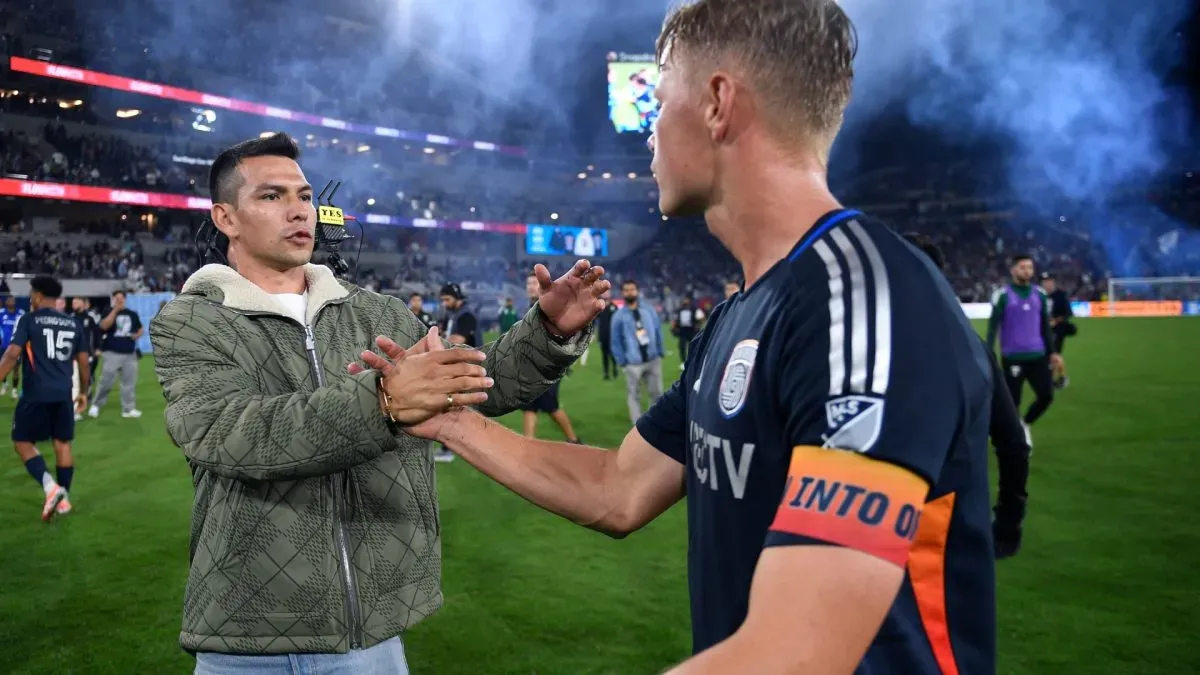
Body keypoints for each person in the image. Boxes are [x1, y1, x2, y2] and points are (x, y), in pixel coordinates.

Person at [365, 2, 997, 672]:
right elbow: (618, 487)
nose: (650, 132)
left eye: (659, 101)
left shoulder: (862, 300)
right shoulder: (739, 316)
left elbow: (795, 652)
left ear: (719, 103)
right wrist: (450, 420)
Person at [149, 132, 601, 674]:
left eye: (304, 195)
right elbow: (231, 435)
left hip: (371, 639)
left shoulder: (375, 314)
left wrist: (546, 331)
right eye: (271, 197)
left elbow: (480, 382)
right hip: (251, 637)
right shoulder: (192, 321)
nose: (298, 211)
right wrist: (383, 400)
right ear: (225, 218)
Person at [905, 233, 1030, 559]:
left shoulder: (859, 352)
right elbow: (1013, 443)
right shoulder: (972, 351)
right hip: (960, 536)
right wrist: (1009, 521)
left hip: (883, 536)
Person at [0, 276, 89, 521]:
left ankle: (51, 488)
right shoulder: (73, 323)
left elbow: (11, 355)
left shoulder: (29, 320)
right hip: (63, 394)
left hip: (36, 393)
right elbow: (83, 362)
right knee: (62, 443)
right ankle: (64, 500)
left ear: (38, 296)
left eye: (31, 294)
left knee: (22, 441)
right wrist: (83, 392)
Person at [987, 254, 1063, 446]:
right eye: (1022, 267)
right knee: (1012, 403)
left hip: (1038, 355)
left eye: (1029, 267)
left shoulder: (1040, 294)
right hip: (1013, 357)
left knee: (1046, 396)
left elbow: (1045, 326)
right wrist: (988, 352)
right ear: (1013, 270)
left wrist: (1053, 352)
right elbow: (992, 327)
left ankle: (1025, 424)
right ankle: (1012, 435)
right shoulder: (1002, 295)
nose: (1027, 271)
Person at [519, 272, 582, 444]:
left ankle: (574, 440)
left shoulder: (550, 306)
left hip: (549, 366)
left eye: (534, 283)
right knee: (529, 406)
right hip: (532, 365)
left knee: (551, 406)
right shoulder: (531, 307)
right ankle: (528, 445)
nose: (531, 286)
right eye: (528, 283)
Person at [610, 279, 665, 424]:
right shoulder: (618, 316)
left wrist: (660, 351)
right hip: (633, 362)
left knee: (657, 393)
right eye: (626, 290)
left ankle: (655, 422)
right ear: (622, 293)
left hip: (653, 359)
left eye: (632, 289)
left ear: (637, 291)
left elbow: (657, 330)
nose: (630, 292)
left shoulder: (648, 310)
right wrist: (622, 361)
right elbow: (615, 341)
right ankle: (638, 425)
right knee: (634, 395)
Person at [88, 290, 143, 419]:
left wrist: (137, 335)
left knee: (129, 383)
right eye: (117, 298)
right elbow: (103, 326)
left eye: (121, 298)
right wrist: (115, 311)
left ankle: (128, 409)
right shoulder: (108, 311)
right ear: (113, 299)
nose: (119, 300)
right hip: (111, 352)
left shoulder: (132, 314)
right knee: (106, 381)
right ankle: (96, 405)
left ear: (125, 299)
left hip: (129, 353)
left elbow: (140, 328)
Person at [1040, 272, 1075, 389]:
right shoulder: (1039, 295)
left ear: (1053, 282)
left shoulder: (1060, 295)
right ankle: (1058, 378)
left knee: (1053, 353)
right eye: (1044, 282)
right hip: (1043, 330)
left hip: (1058, 330)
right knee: (1048, 355)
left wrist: (1055, 321)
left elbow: (1068, 313)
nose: (1046, 284)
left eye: (1048, 281)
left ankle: (1053, 379)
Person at [72, 297, 103, 401]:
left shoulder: (89, 319)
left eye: (77, 301)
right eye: (73, 302)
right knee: (74, 377)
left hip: (87, 353)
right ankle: (77, 397)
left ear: (84, 304)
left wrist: (98, 348)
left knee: (85, 376)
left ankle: (85, 395)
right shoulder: (70, 318)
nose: (74, 303)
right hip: (72, 354)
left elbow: (96, 334)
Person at [438, 282, 479, 347]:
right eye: (442, 300)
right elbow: (442, 332)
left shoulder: (466, 315)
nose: (444, 304)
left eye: (447, 299)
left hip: (470, 356)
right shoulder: (451, 313)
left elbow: (457, 341)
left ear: (457, 298)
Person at [0, 295, 24, 398]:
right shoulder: (1, 314)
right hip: (3, 345)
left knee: (16, 368)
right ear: (6, 302)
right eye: (9, 300)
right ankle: (5, 384)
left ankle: (14, 390)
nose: (11, 301)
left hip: (16, 345)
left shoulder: (21, 313)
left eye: (13, 300)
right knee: (2, 365)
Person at [671, 296, 704, 368]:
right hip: (682, 330)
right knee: (682, 346)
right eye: (684, 299)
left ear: (689, 300)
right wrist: (674, 327)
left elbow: (701, 317)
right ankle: (683, 362)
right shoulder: (679, 310)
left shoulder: (694, 309)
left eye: (686, 299)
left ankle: (694, 361)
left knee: (693, 346)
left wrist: (698, 325)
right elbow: (675, 319)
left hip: (692, 330)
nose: (685, 301)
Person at [596, 297, 619, 380]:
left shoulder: (614, 307)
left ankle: (615, 369)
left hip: (612, 336)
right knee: (604, 355)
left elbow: (617, 319)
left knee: (612, 354)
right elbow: (594, 318)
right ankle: (606, 373)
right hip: (603, 336)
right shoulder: (600, 308)